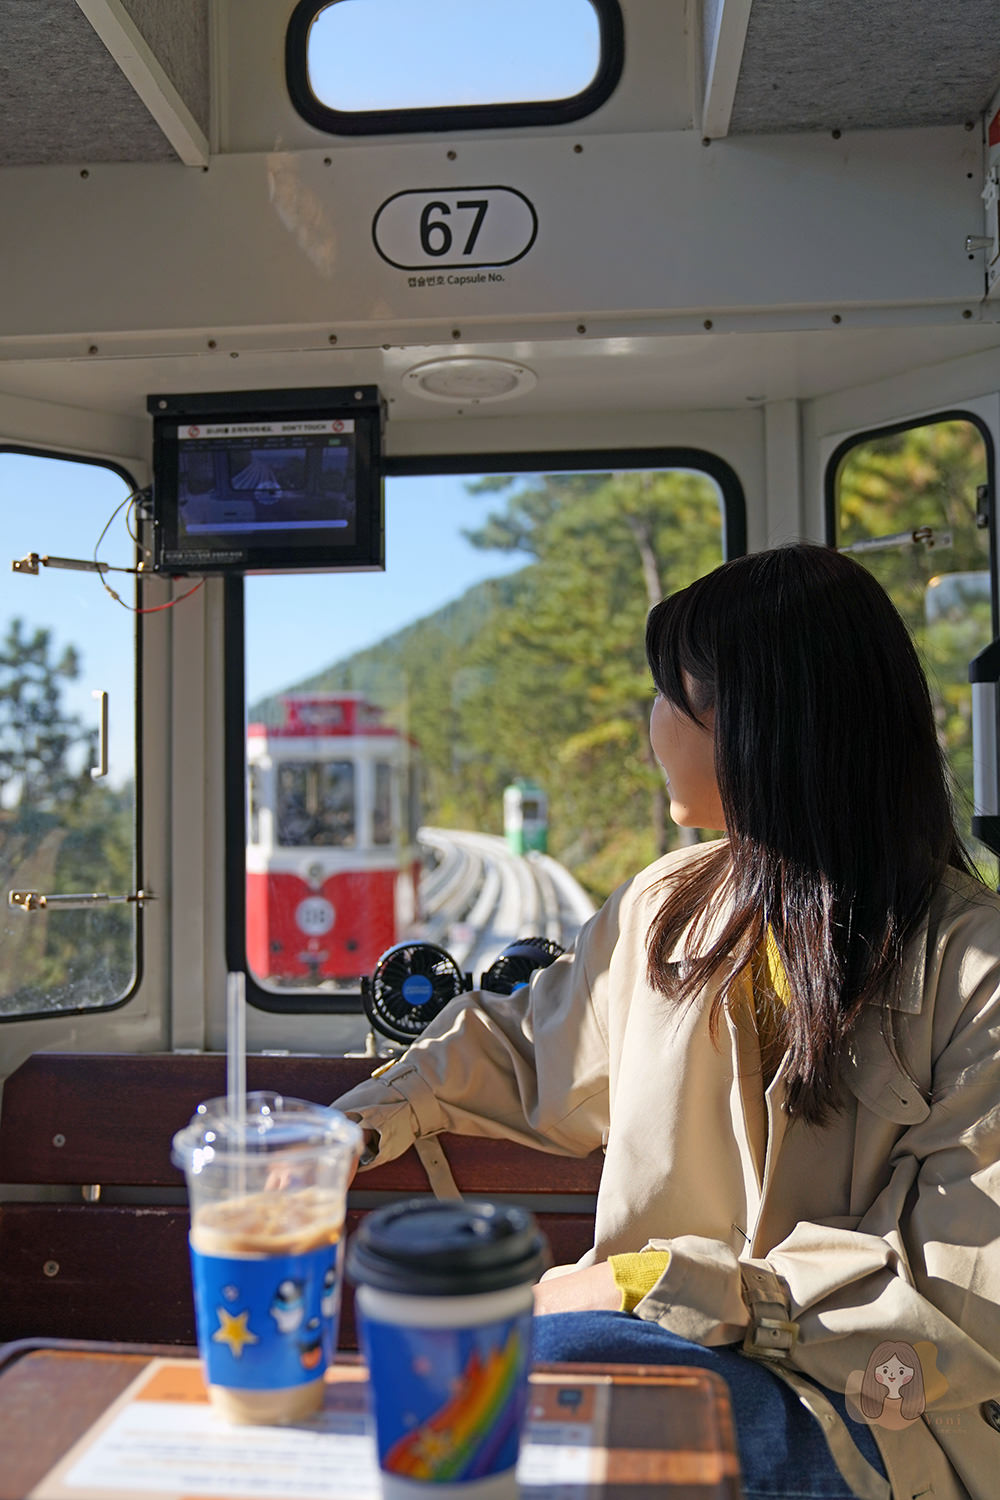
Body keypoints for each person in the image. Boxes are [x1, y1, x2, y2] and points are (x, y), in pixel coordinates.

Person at [334, 544, 1000, 1500]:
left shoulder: (975, 969)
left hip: (881, 1431)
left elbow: (945, 1290)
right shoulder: (670, 910)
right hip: (651, 1350)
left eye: (672, 696)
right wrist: (351, 1125)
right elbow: (527, 1050)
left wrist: (643, 1282)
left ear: (763, 726)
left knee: (504, 1400)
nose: (653, 726)